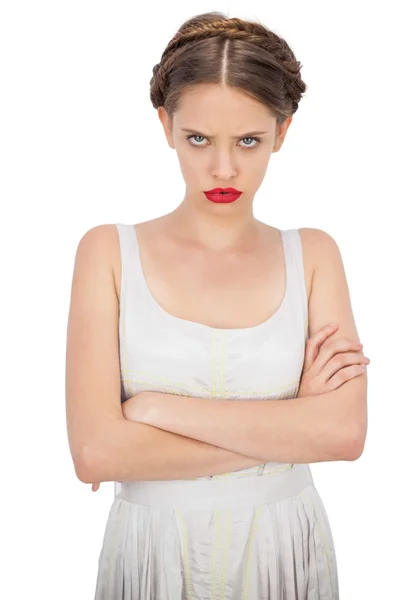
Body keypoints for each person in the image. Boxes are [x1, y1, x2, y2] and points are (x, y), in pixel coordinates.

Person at [65, 11, 370, 599]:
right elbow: (96, 452)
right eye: (198, 138)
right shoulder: (107, 251)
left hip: (287, 551)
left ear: (282, 133)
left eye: (248, 141)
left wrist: (154, 409)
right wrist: (289, 430)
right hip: (151, 555)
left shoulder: (314, 255)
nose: (223, 168)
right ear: (166, 124)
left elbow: (342, 435)